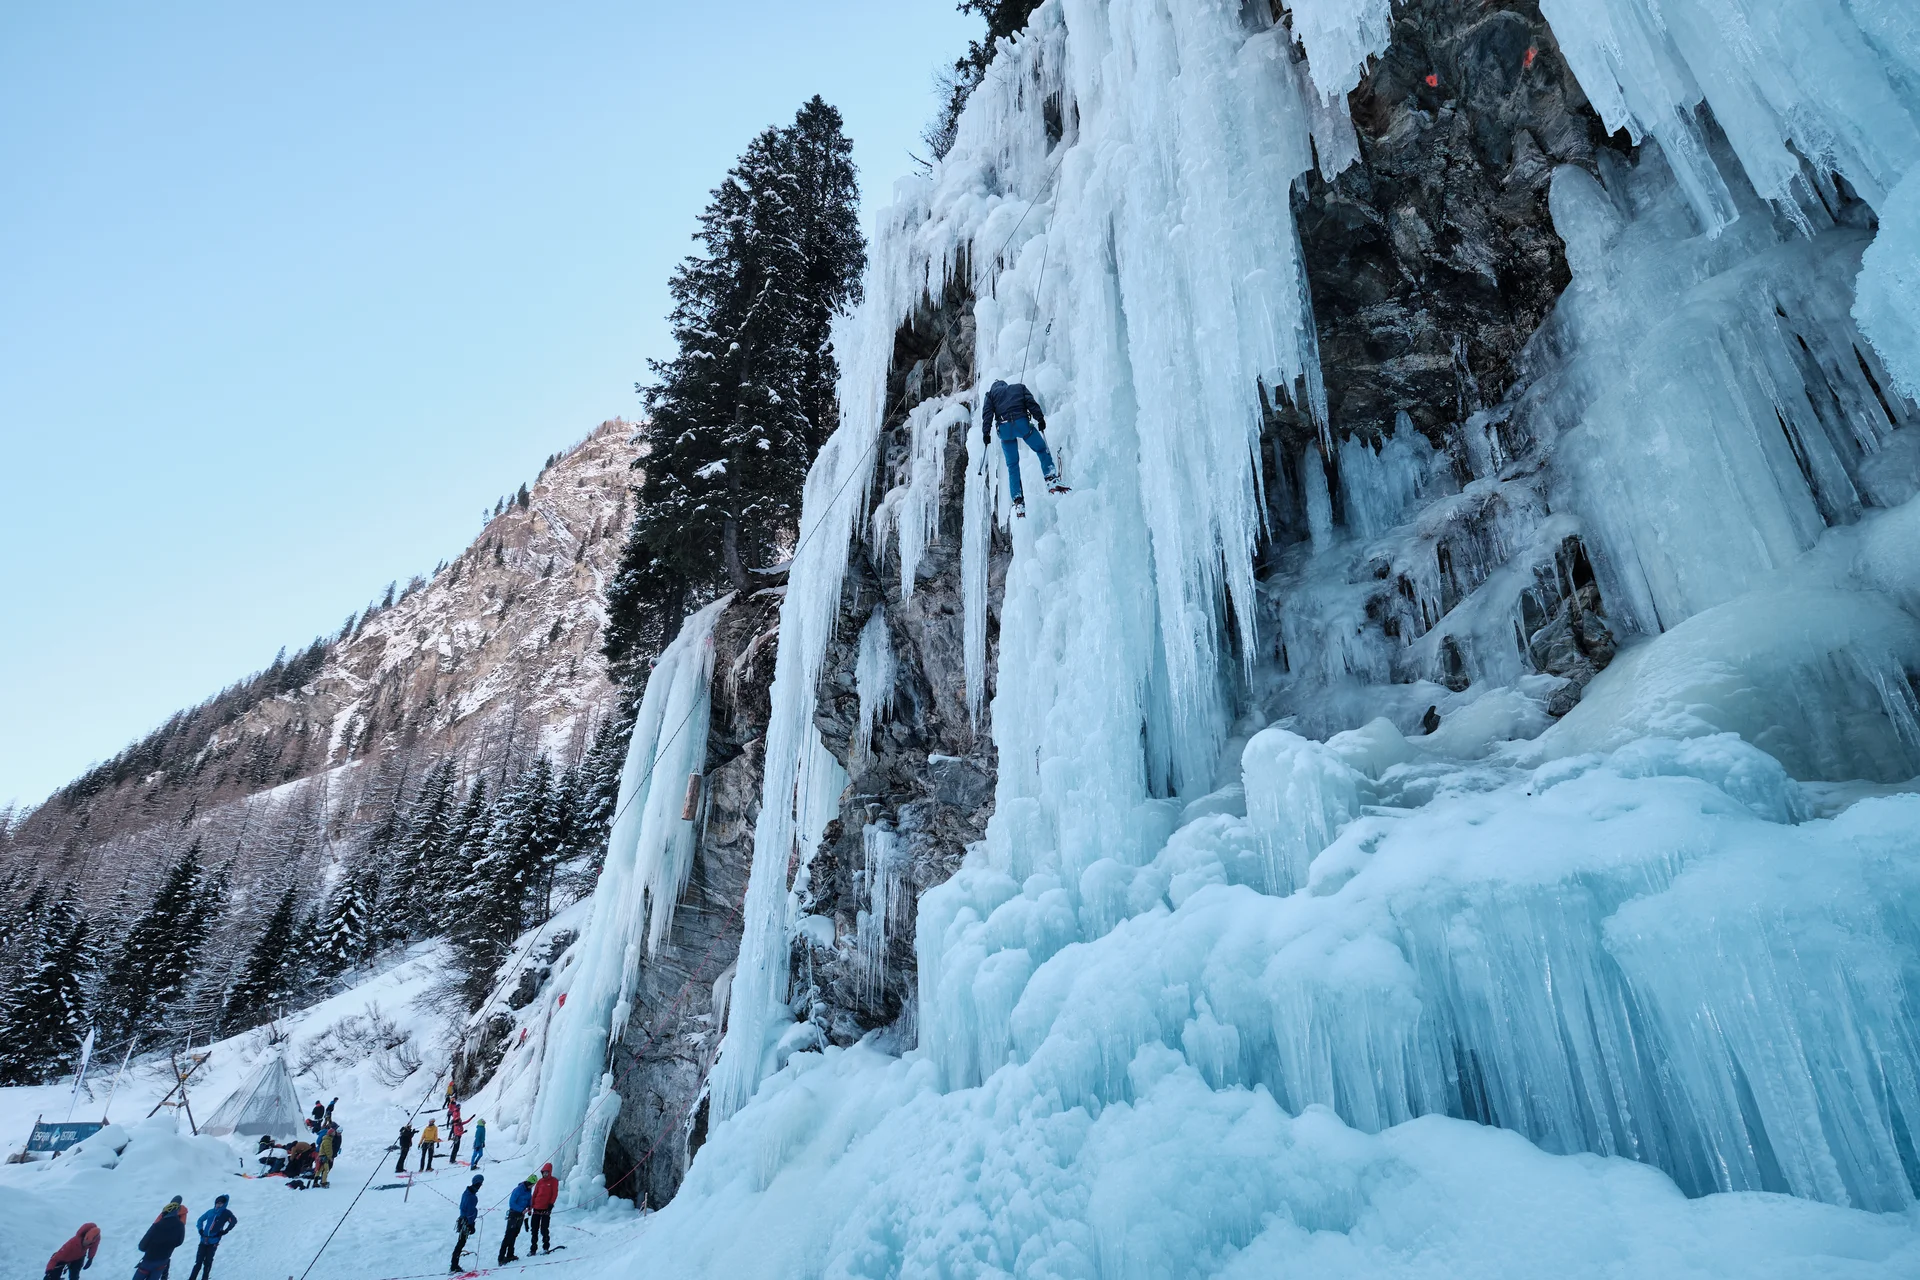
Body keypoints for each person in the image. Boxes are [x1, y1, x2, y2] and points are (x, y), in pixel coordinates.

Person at [981, 379, 1069, 518]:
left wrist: (985, 433)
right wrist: (1040, 419)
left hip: (1004, 430)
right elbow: (1031, 403)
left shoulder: (990, 395)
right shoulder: (1019, 388)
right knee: (1041, 449)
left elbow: (987, 414)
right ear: (1005, 385)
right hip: (1021, 424)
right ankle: (1050, 478)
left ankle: (1018, 501)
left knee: (1012, 466)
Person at [133, 1199, 187, 1280]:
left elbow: (142, 1246)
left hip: (149, 1259)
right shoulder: (180, 1225)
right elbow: (179, 1242)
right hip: (163, 1260)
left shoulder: (157, 1225)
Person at [184, 1197, 235, 1280]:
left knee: (208, 1262)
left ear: (224, 1204)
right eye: (217, 1203)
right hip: (203, 1240)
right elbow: (200, 1220)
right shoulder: (210, 1212)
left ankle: (205, 1278)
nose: (218, 1205)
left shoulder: (226, 1213)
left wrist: (225, 1231)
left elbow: (233, 1221)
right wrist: (200, 1229)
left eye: (220, 1203)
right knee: (198, 1262)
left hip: (214, 1242)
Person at [450, 1175, 483, 1274]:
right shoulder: (472, 1197)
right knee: (460, 1243)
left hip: (462, 1220)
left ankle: (454, 1264)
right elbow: (470, 1212)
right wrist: (471, 1225)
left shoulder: (467, 1192)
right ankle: (454, 1265)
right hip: (466, 1222)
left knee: (460, 1243)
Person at [498, 1176, 533, 1264]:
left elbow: (529, 1200)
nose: (532, 1187)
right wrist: (521, 1210)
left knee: (514, 1235)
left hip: (521, 1216)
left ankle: (510, 1254)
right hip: (514, 1214)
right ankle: (501, 1258)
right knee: (508, 1235)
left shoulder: (529, 1190)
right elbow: (512, 1203)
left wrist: (529, 1207)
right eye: (532, 1185)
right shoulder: (518, 1190)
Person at [528, 1164, 558, 1255]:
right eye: (543, 1172)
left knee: (544, 1229)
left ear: (549, 1172)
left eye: (546, 1172)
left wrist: (551, 1204)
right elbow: (535, 1194)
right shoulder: (540, 1182)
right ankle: (533, 1249)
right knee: (534, 1229)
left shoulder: (554, 1181)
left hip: (546, 1209)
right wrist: (531, 1206)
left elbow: (554, 1193)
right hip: (536, 1208)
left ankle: (545, 1247)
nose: (545, 1174)